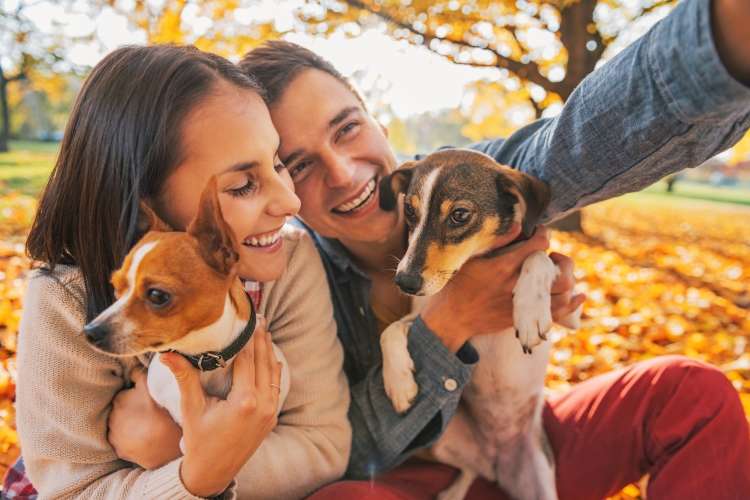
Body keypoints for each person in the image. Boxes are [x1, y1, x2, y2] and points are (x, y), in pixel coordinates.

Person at [104, 0, 750, 498]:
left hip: (530, 445)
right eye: (298, 164)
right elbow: (340, 448)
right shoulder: (294, 275)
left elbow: (588, 137)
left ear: (376, 117)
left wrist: (720, 41)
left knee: (689, 391)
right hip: (412, 476)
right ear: (275, 184)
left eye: (348, 128)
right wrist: (452, 320)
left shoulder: (472, 181)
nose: (346, 173)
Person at [9, 45, 350, 499]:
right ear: (141, 203)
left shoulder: (286, 262)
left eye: (278, 163)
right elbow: (71, 489)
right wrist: (197, 476)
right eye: (241, 185)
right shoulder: (66, 298)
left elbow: (322, 446)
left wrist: (186, 453)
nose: (290, 203)